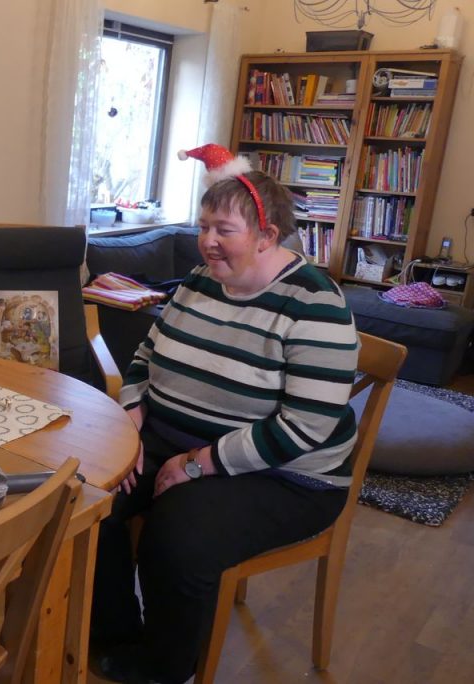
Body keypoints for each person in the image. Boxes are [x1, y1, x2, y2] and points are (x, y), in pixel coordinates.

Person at [91, 146, 358, 684]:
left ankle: (164, 667)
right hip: (171, 435)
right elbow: (145, 357)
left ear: (267, 235)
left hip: (286, 475)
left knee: (177, 534)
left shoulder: (316, 306)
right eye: (204, 226)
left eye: (224, 230)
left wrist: (199, 464)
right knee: (91, 499)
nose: (208, 241)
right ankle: (111, 638)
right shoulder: (198, 282)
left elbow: (305, 427)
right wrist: (133, 416)